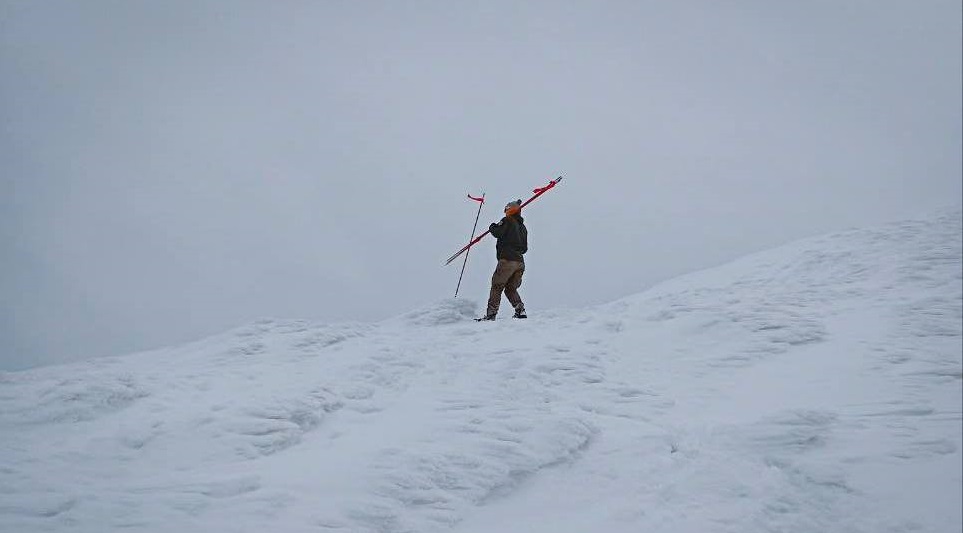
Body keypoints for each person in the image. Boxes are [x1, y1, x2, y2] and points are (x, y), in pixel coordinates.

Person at [479, 199, 528, 320]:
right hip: (520, 262)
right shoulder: (523, 228)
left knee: (497, 286)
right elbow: (524, 248)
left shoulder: (507, 220)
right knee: (510, 288)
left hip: (507, 260)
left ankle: (491, 314)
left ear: (510, 210)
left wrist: (492, 226)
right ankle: (520, 310)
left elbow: (498, 232)